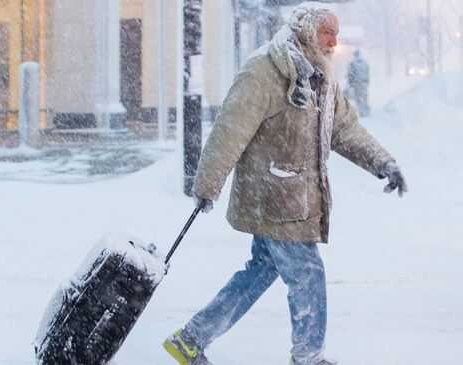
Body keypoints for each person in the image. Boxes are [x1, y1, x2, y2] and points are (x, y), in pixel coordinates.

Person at [163, 3, 407, 365]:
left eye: (336, 34)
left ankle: (190, 339)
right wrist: (207, 184)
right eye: (328, 32)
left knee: (261, 271)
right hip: (275, 197)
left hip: (295, 198)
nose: (333, 41)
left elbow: (345, 128)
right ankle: (308, 357)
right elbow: (230, 129)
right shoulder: (265, 71)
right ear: (307, 32)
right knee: (308, 275)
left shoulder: (321, 77)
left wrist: (383, 162)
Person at [346, 50, 371, 117]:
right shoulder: (365, 62)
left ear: (355, 55)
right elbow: (367, 72)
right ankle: (366, 109)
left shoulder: (353, 63)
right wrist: (367, 81)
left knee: (358, 97)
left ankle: (361, 111)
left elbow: (351, 74)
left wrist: (350, 83)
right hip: (364, 83)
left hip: (357, 83)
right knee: (365, 96)